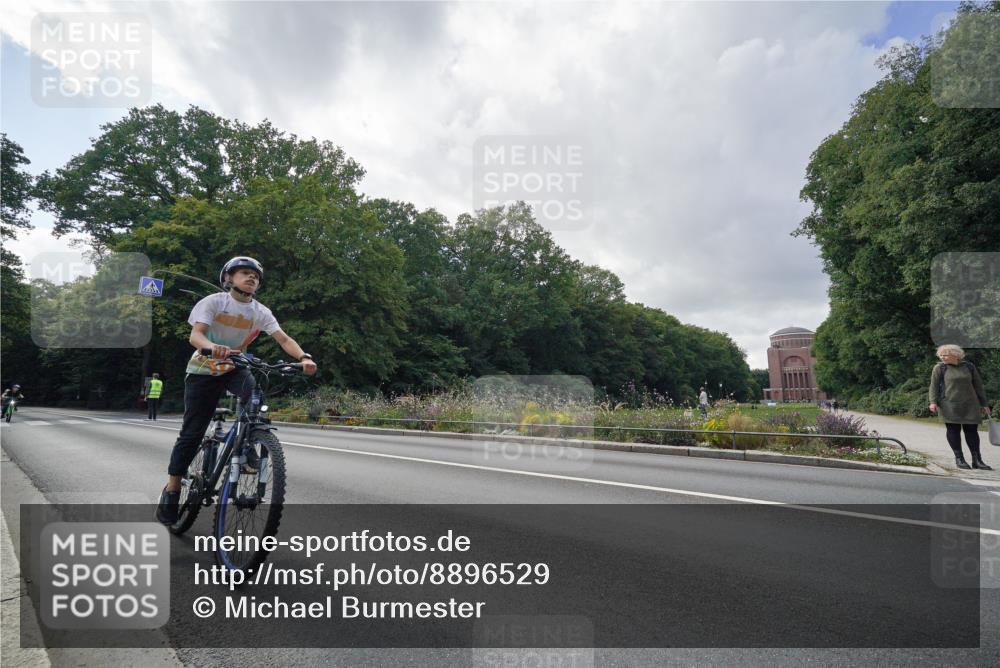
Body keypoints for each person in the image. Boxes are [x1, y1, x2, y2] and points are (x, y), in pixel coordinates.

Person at [156, 256, 318, 525]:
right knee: (192, 433)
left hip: (235, 366)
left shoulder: (260, 312)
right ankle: (172, 490)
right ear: (228, 278)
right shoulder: (214, 302)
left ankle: (247, 444)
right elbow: (196, 335)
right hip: (203, 369)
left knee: (254, 399)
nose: (251, 277)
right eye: (244, 272)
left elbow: (283, 339)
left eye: (255, 275)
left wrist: (304, 357)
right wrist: (212, 347)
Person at [929, 344, 992, 471]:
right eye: (941, 355)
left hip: (970, 404)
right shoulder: (940, 368)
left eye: (945, 355)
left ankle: (977, 460)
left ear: (955, 355)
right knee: (953, 430)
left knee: (972, 431)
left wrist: (984, 404)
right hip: (949, 404)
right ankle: (959, 459)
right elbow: (933, 386)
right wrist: (933, 402)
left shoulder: (969, 367)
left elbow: (978, 386)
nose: (942, 357)